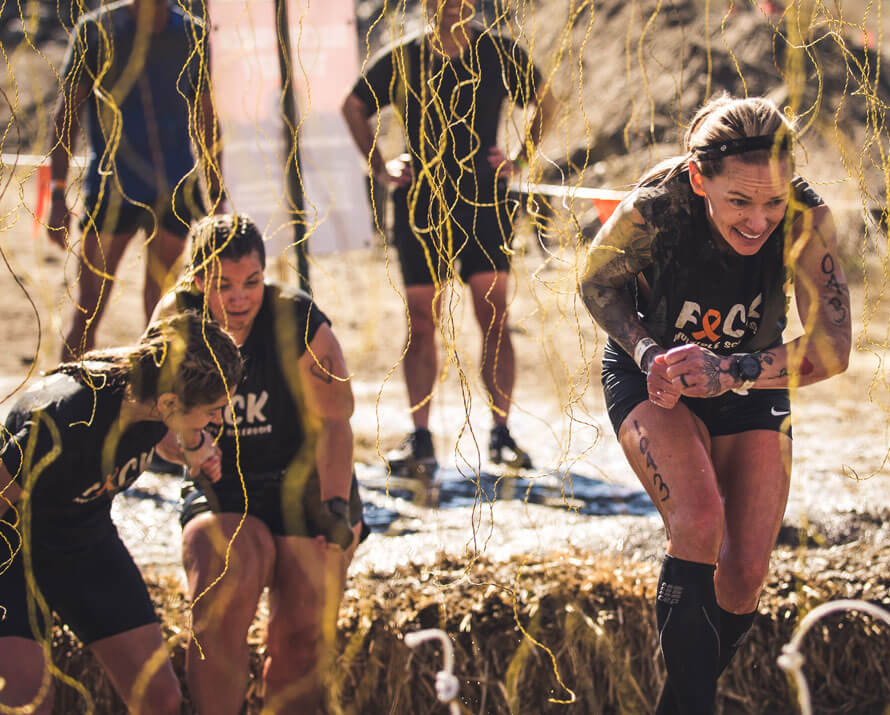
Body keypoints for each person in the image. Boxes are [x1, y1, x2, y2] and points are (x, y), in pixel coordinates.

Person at [578, 94, 853, 713]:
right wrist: (650, 354)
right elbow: (596, 281)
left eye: (772, 202)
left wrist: (734, 369)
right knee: (699, 522)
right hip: (659, 378)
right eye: (739, 201)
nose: (759, 220)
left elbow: (833, 346)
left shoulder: (807, 218)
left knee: (744, 572)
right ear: (701, 179)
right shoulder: (654, 208)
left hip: (751, 379)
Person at [151, 213, 366, 714]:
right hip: (222, 482)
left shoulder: (297, 320)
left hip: (307, 477)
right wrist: (189, 446)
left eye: (251, 282)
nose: (239, 298)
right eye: (222, 285)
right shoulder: (175, 320)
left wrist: (335, 506)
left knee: (300, 640)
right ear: (197, 278)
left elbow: (336, 423)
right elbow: (150, 427)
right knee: (225, 588)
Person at [342, 0, 557, 476]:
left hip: (486, 202)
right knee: (421, 321)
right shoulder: (403, 57)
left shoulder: (499, 51)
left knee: (493, 317)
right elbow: (354, 107)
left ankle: (501, 434)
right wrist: (378, 165)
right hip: (421, 204)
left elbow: (546, 99)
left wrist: (520, 161)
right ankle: (421, 441)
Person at [0, 312, 242, 714]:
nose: (220, 419)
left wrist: (195, 444)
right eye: (215, 409)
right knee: (30, 706)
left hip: (83, 542)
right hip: (12, 552)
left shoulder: (151, 393)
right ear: (168, 402)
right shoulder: (66, 420)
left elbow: (165, 435)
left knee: (161, 700)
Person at [47, 0, 222, 361]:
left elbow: (206, 118)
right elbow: (67, 115)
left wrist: (218, 192)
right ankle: (62, 407)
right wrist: (57, 193)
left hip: (174, 190)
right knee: (87, 313)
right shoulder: (95, 31)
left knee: (161, 316)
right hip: (112, 188)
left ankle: (154, 410)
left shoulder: (193, 34)